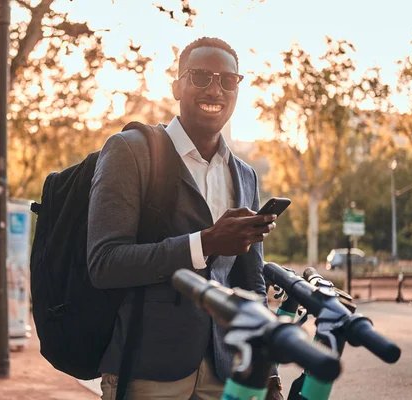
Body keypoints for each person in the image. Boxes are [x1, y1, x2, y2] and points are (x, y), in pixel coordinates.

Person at [87, 37, 281, 400]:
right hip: (146, 370)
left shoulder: (245, 175)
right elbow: (105, 263)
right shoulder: (131, 151)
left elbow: (250, 280)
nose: (215, 89)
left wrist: (267, 371)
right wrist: (204, 244)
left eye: (227, 80)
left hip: (226, 371)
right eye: (201, 76)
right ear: (177, 86)